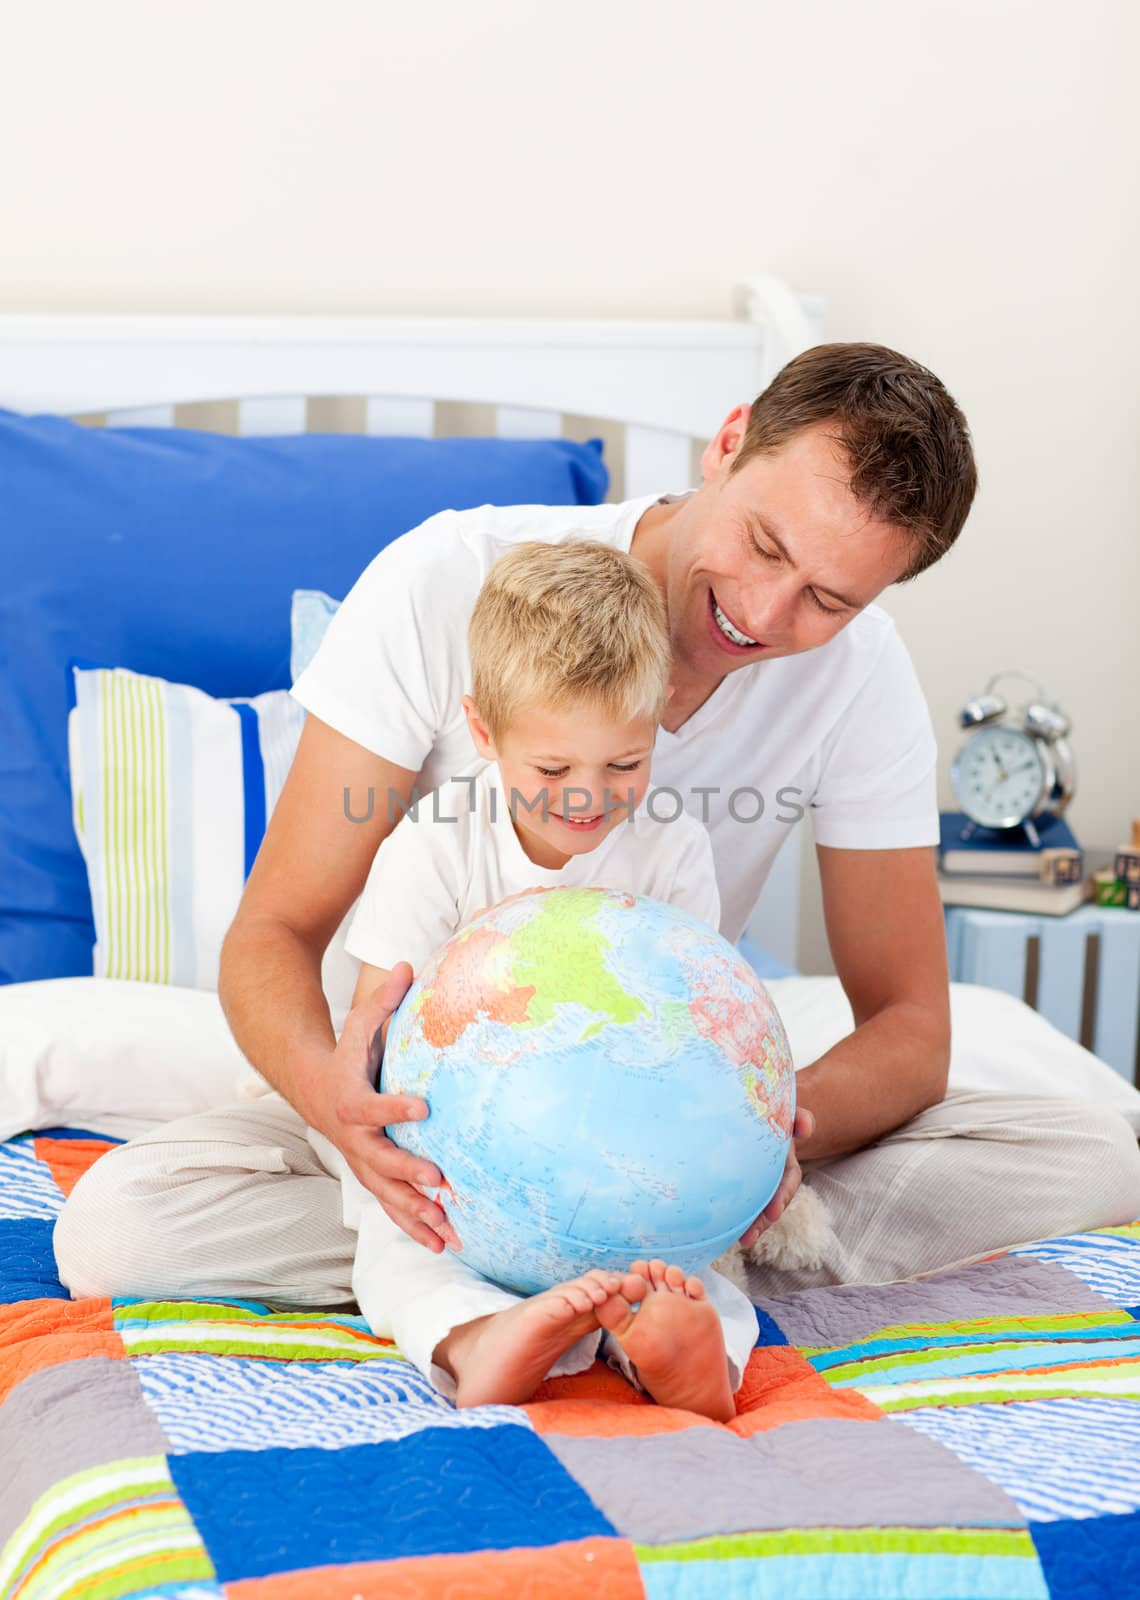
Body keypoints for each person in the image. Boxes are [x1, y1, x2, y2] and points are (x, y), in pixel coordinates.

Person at [53, 343, 1140, 1315]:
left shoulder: (861, 680)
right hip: (418, 1122)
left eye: (829, 599)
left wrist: (752, 1138)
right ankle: (584, 1258)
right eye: (765, 544)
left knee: (1092, 1153)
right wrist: (341, 1111)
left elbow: (909, 1028)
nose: (765, 616)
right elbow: (273, 934)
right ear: (728, 443)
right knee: (120, 1228)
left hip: (670, 1122)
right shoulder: (452, 582)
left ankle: (627, 1250)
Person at [310, 538, 762, 1420]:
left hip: (622, 1160)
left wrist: (753, 1120)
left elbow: (703, 1025)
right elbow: (376, 1022)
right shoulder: (437, 846)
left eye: (624, 766)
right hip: (465, 1171)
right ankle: (478, 1337)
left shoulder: (673, 852)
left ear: (658, 719)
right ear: (483, 731)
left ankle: (688, 1354)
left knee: (692, 1258)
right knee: (404, 1247)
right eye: (552, 769)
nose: (588, 796)